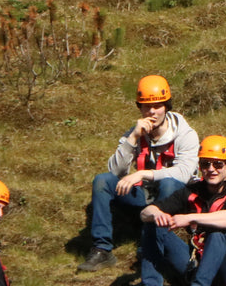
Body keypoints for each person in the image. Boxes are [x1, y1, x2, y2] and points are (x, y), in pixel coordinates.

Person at [124, 136, 226, 286]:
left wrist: (191, 218)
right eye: (205, 164)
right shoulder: (191, 191)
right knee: (152, 223)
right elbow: (145, 213)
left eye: (218, 164)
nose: (211, 169)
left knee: (218, 231)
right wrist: (157, 214)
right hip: (195, 262)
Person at [78, 75, 198, 272]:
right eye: (146, 106)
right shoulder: (135, 132)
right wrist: (133, 138)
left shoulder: (186, 134)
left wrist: (143, 175)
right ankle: (102, 249)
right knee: (103, 181)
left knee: (168, 183)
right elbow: (115, 171)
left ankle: (151, 243)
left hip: (177, 199)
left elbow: (183, 174)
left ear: (166, 106)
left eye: (158, 106)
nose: (152, 112)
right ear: (139, 108)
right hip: (146, 198)